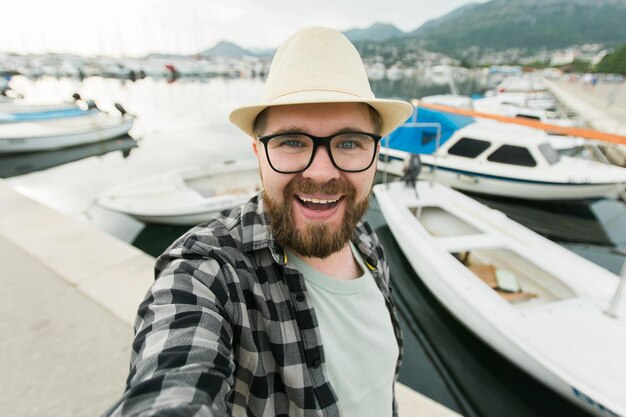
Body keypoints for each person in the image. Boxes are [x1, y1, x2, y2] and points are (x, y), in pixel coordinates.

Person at [103, 26, 413, 417]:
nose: (320, 172)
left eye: (349, 143)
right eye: (292, 142)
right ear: (258, 153)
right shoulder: (207, 275)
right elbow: (174, 381)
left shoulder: (365, 240)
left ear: (376, 153)